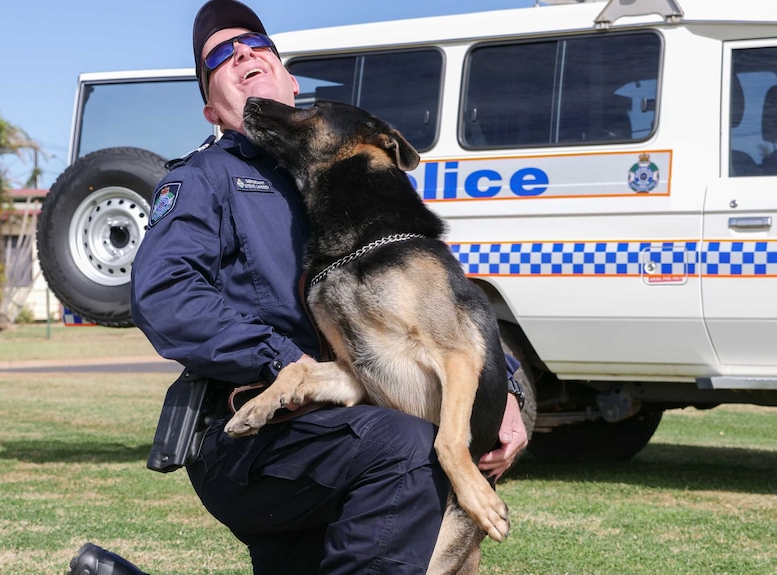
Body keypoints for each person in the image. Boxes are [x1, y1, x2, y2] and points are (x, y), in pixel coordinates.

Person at [68, 1, 527, 574]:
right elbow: (165, 296)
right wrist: (287, 362)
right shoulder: (203, 180)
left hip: (341, 425)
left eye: (260, 47)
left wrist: (503, 390)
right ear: (213, 107)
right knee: (408, 450)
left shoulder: (342, 181)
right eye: (220, 57)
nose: (243, 55)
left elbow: (438, 306)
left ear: (290, 80)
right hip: (253, 436)